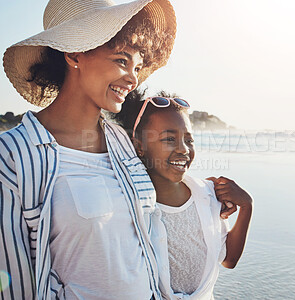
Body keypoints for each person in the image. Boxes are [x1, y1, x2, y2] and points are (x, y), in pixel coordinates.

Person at [0, 0, 177, 299]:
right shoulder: (14, 155)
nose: (133, 78)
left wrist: (210, 197)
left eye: (136, 66)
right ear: (74, 54)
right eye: (121, 61)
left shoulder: (123, 141)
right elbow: (14, 283)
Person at [113, 92, 253, 299]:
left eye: (189, 139)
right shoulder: (129, 205)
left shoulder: (207, 195)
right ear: (139, 147)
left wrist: (247, 206)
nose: (183, 149)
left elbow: (229, 260)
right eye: (169, 139)